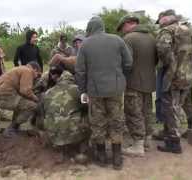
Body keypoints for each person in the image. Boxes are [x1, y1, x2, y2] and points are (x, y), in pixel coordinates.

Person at [75, 16, 133, 170]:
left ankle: (101, 156)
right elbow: (128, 63)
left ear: (90, 28)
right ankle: (117, 157)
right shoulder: (118, 40)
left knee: (97, 123)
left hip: (95, 91)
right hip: (115, 89)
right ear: (102, 27)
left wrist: (82, 90)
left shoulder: (85, 44)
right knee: (116, 121)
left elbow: (80, 71)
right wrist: (120, 77)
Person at [155, 9, 192, 153]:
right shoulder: (189, 29)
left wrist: (170, 65)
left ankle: (174, 143)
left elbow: (163, 50)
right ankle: (169, 135)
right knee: (177, 106)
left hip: (173, 77)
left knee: (170, 109)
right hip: (188, 76)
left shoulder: (167, 31)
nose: (159, 23)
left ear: (166, 18)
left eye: (159, 20)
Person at [116, 15, 157, 156]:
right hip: (150, 82)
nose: (123, 31)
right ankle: (147, 140)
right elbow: (156, 59)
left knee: (133, 112)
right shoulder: (151, 37)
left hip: (133, 82)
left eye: (122, 28)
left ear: (128, 24)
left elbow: (126, 63)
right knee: (147, 112)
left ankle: (137, 145)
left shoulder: (128, 39)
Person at [43, 71, 90, 161]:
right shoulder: (79, 89)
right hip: (72, 132)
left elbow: (44, 110)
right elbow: (88, 106)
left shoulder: (48, 92)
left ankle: (59, 148)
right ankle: (82, 150)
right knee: (89, 117)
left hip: (52, 133)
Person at [0, 62, 42, 138]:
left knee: (21, 103)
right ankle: (11, 129)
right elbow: (25, 91)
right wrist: (36, 99)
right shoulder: (28, 71)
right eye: (38, 75)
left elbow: (22, 92)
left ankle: (15, 128)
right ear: (35, 69)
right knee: (32, 106)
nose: (36, 77)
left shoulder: (19, 69)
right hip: (4, 96)